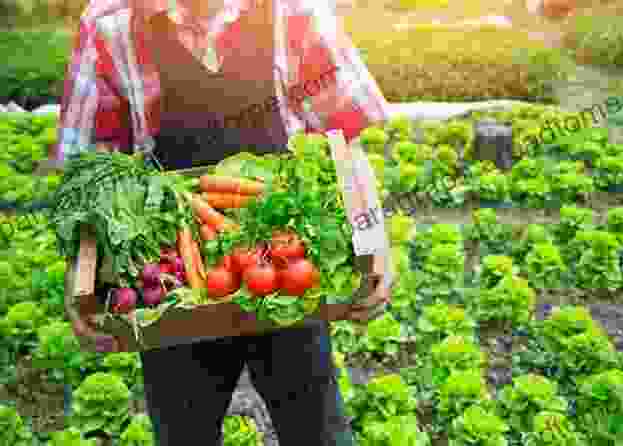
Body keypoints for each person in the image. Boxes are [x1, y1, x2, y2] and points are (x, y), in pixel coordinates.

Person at [50, 0, 395, 445]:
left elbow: (345, 137)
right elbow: (88, 175)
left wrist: (375, 242)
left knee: (317, 428)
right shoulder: (111, 25)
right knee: (183, 429)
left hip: (283, 267)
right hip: (176, 274)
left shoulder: (295, 11)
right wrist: (79, 277)